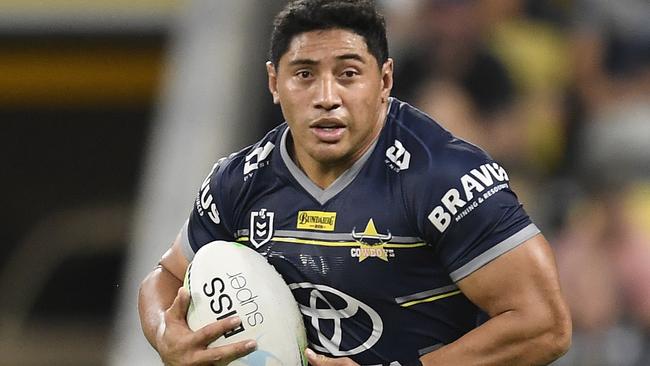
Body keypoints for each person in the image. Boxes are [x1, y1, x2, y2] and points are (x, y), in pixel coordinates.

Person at [138, 0, 572, 365]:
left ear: (384, 81)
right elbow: (166, 276)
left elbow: (544, 326)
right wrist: (165, 334)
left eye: (348, 74)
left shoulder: (443, 177)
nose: (327, 96)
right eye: (304, 74)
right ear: (274, 82)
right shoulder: (239, 181)